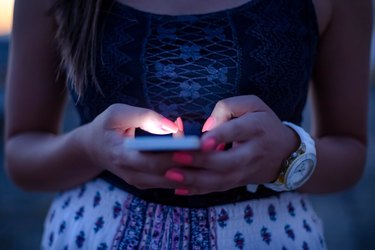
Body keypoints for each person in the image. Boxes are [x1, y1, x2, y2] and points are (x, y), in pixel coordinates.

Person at [4, 0, 372, 249]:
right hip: (91, 234)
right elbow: (22, 157)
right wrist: (88, 146)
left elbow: (349, 153)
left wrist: (289, 155)